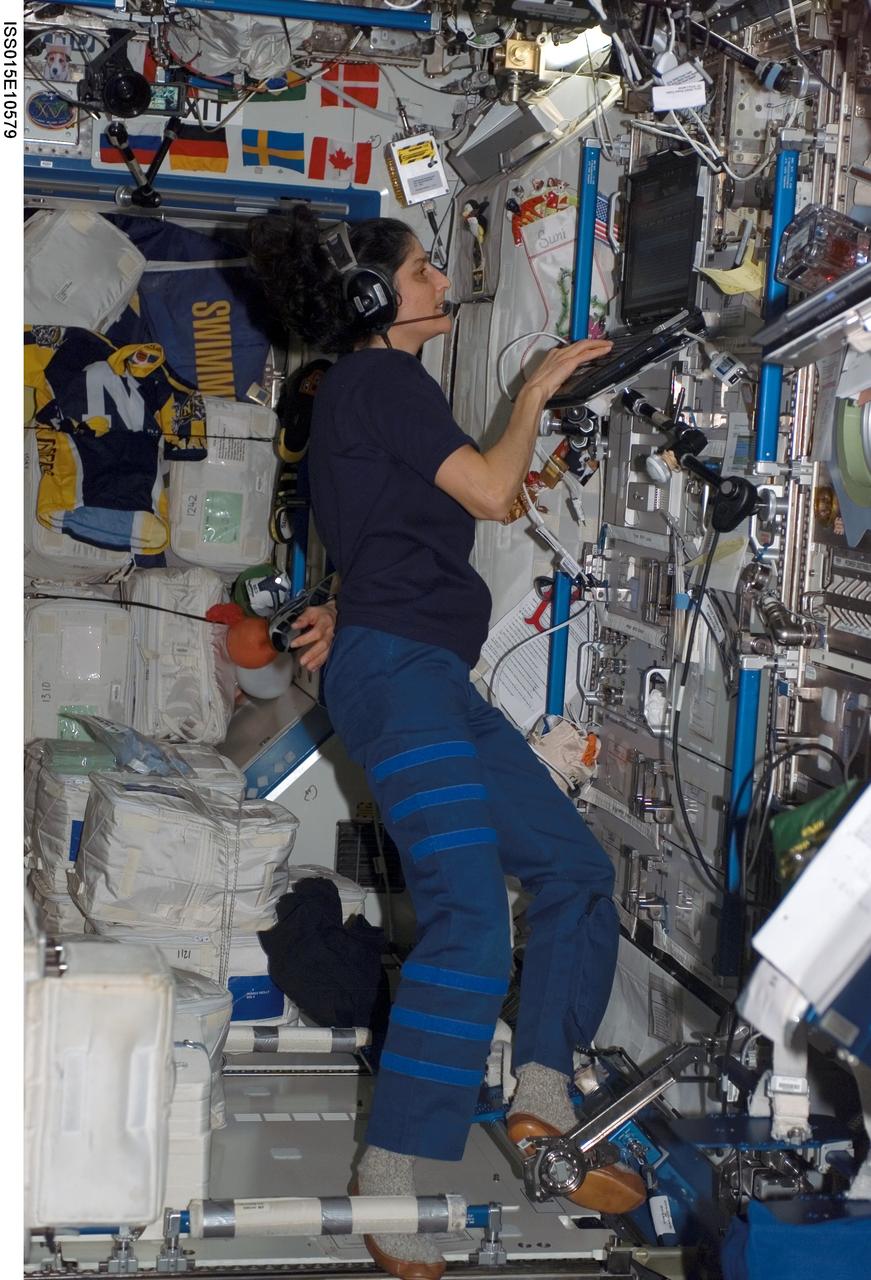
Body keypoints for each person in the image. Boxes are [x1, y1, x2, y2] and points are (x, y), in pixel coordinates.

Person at [249, 206, 644, 1280]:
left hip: (423, 673)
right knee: (470, 920)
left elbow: (380, 522)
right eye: (423, 271)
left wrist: (334, 599)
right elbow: (490, 489)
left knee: (571, 871)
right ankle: (390, 1176)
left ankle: (542, 1093)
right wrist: (530, 395)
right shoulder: (381, 380)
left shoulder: (368, 392)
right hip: (401, 676)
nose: (438, 282)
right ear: (378, 299)